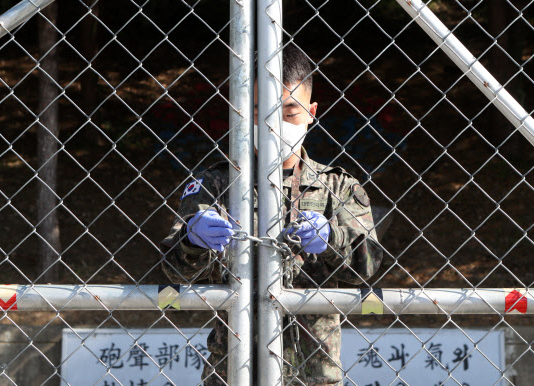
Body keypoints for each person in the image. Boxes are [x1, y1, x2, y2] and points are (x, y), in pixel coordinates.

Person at [161, 44, 383, 385]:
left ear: (311, 112)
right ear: (241, 114)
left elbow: (368, 267)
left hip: (313, 374)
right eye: (259, 113)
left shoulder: (337, 187)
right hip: (233, 370)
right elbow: (171, 268)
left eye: (289, 112)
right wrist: (192, 239)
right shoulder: (217, 184)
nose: (274, 126)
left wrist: (333, 239)